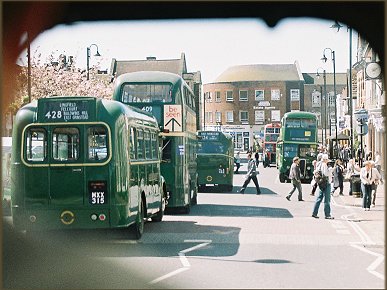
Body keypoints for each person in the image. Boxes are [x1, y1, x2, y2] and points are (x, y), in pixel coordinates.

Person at [312, 154, 334, 219]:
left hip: (320, 183)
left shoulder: (318, 164)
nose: (327, 161)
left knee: (319, 198)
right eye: (327, 160)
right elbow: (326, 174)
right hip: (326, 183)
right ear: (325, 159)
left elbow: (315, 172)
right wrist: (331, 170)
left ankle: (314, 213)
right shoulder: (324, 164)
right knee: (327, 200)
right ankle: (327, 215)